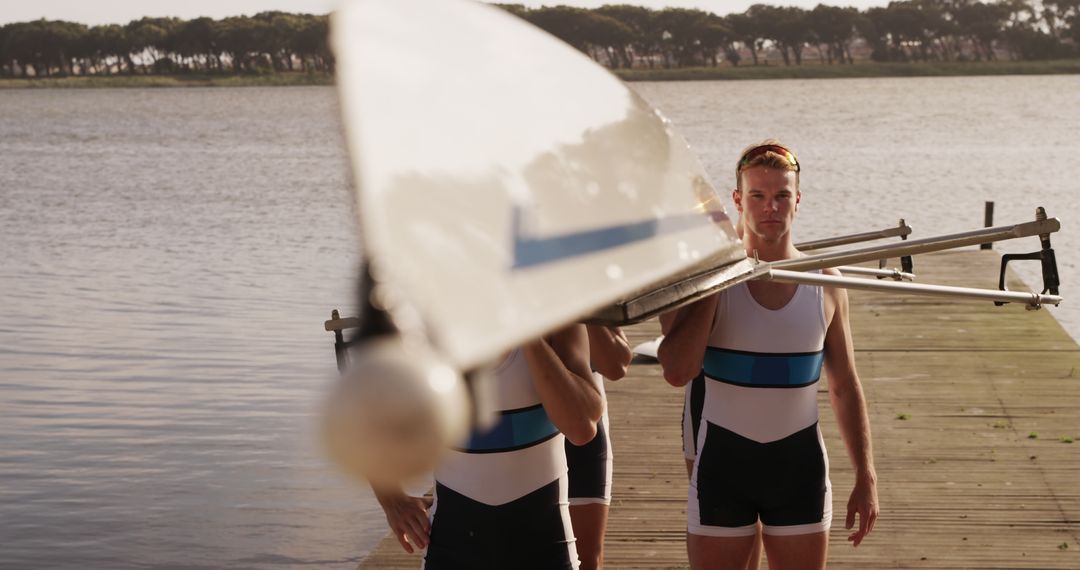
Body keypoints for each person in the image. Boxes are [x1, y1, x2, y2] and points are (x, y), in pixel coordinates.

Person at [658, 140, 879, 570]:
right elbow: (677, 370)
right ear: (738, 201)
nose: (770, 207)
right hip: (723, 471)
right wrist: (718, 275)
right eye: (757, 196)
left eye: (781, 195)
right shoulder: (707, 280)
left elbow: (845, 385)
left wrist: (866, 476)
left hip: (799, 473)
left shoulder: (826, 280)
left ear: (797, 200)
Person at [372, 324, 604, 569]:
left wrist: (527, 334)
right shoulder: (425, 325)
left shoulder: (558, 321)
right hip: (452, 549)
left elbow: (582, 429)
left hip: (545, 548)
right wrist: (392, 500)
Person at [565, 324, 632, 570]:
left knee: (585, 561)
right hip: (509, 443)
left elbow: (616, 366)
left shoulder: (581, 287)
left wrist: (578, 296)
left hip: (581, 435)